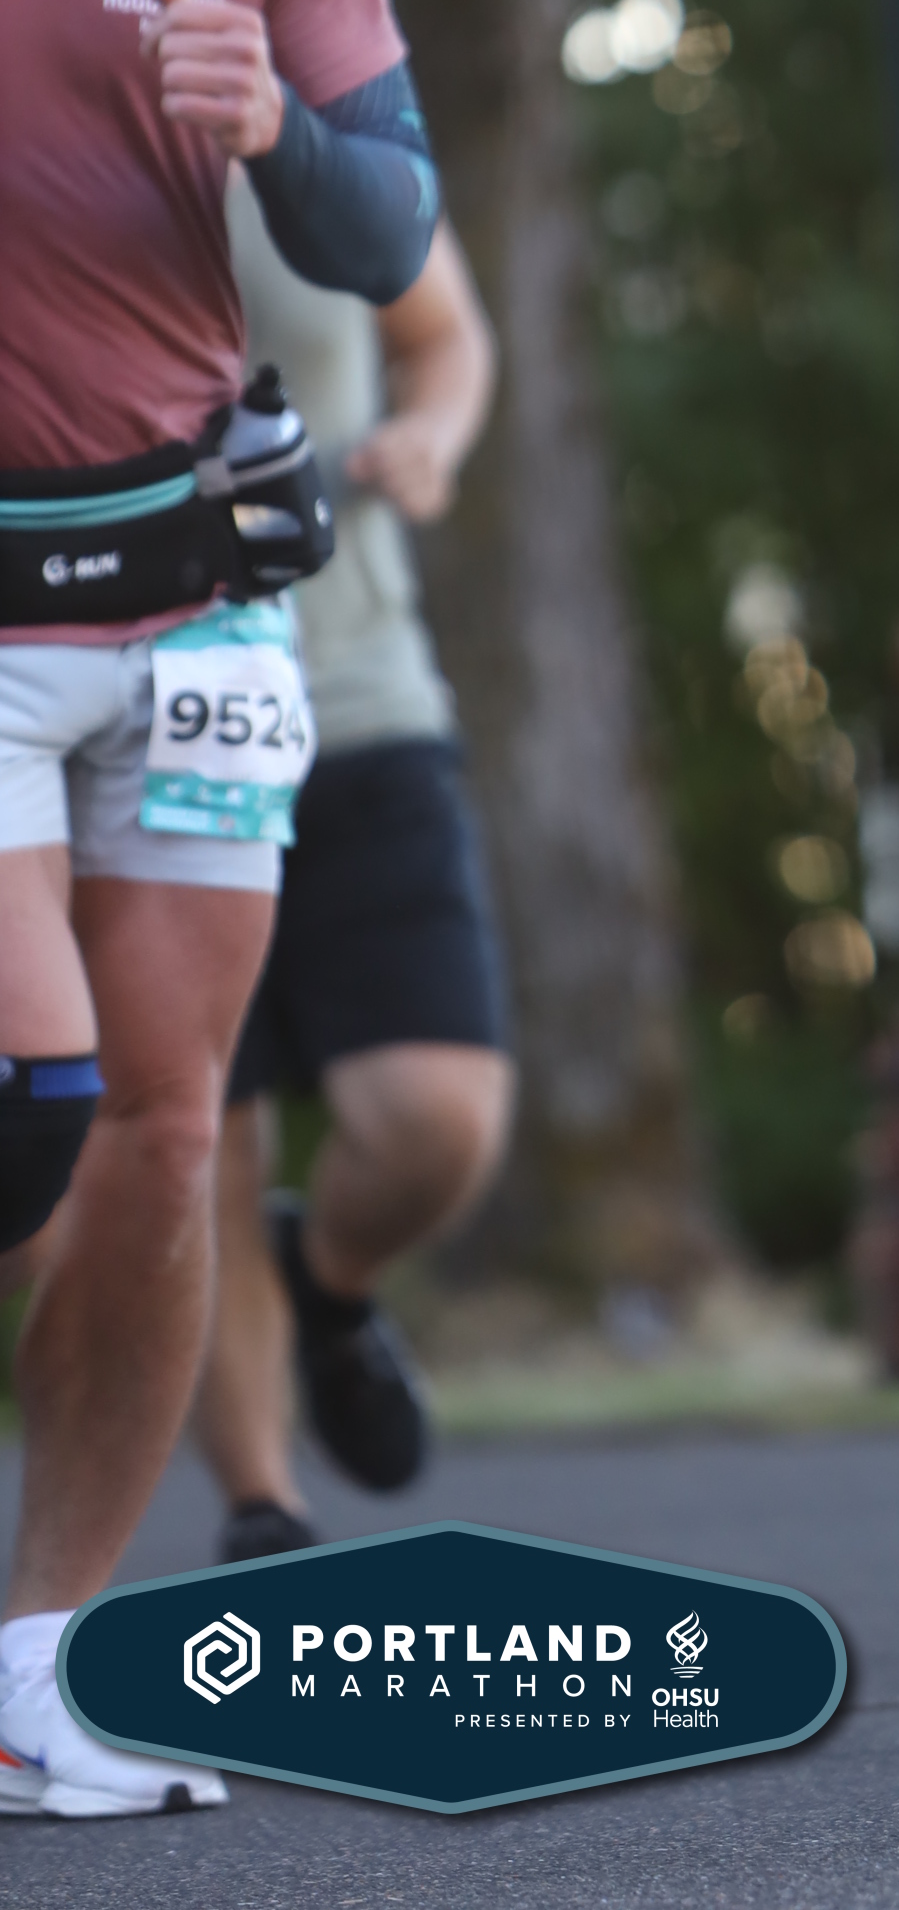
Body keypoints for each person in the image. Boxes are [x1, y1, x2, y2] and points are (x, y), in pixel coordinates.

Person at [0, 0, 439, 1821]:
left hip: (200, 595)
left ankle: (45, 1660)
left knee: (166, 1138)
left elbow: (387, 233)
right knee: (30, 1101)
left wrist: (271, 119)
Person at [195, 192, 512, 1562]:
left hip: (361, 695)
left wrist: (429, 435)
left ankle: (326, 1280)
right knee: (198, 1134)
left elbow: (447, 335)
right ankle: (264, 1507)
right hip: (146, 731)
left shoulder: (319, 148)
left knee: (438, 1120)